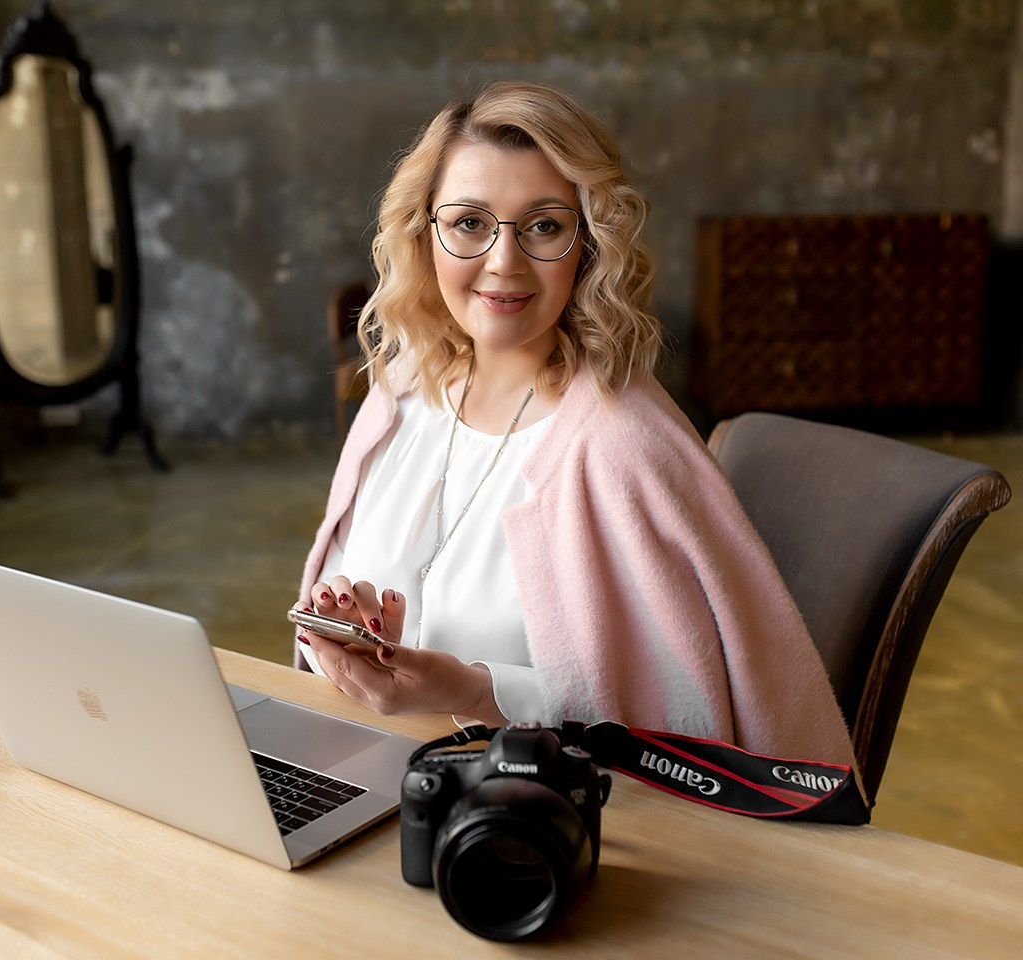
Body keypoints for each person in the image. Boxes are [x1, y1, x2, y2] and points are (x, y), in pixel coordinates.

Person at [294, 81, 855, 767]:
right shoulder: (398, 397)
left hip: (557, 824)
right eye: (469, 222)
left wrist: (473, 690)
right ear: (424, 231)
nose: (504, 262)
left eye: (544, 226)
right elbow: (320, 641)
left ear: (588, 245)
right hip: (374, 776)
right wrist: (344, 633)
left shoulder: (623, 448)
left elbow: (682, 727)